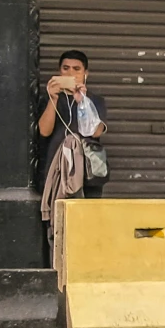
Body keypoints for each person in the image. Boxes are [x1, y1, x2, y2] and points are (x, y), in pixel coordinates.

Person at [34, 48, 108, 229]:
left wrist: (82, 101)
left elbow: (96, 132)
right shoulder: (49, 99)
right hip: (56, 170)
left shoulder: (94, 101)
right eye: (66, 68)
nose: (71, 73)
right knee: (57, 224)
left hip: (87, 172)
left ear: (85, 74)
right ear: (59, 71)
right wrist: (53, 98)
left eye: (77, 69)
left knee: (86, 224)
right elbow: (44, 131)